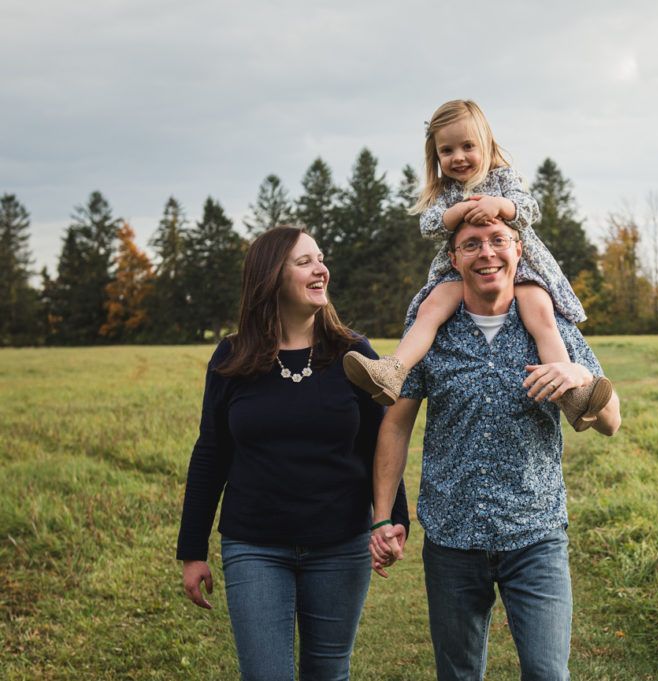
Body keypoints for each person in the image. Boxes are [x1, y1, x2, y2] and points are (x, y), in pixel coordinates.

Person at [368, 217, 621, 680]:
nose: (487, 253)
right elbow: (396, 426)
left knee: (547, 673)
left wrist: (581, 375)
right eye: (472, 245)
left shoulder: (551, 329)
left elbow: (611, 421)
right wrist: (383, 516)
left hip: (535, 533)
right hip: (452, 538)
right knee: (459, 674)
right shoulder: (432, 333)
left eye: (498, 241)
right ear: (453, 259)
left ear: (518, 250)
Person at [176, 226, 410, 681]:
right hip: (255, 545)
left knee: (327, 672)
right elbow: (211, 452)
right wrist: (192, 550)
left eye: (320, 258)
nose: (321, 268)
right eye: (305, 262)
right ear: (271, 277)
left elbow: (382, 441)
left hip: (340, 544)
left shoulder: (353, 352)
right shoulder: (232, 357)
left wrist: (391, 518)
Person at [343, 99, 613, 431]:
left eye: (467, 146)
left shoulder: (503, 177)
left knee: (541, 313)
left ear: (486, 145)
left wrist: (501, 205)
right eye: (447, 150)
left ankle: (571, 396)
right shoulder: (445, 193)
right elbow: (428, 225)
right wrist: (453, 215)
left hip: (520, 266)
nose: (458, 157)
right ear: (436, 157)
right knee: (431, 308)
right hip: (460, 269)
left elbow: (530, 208)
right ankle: (393, 370)